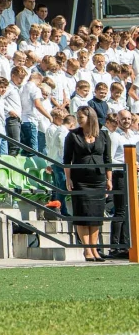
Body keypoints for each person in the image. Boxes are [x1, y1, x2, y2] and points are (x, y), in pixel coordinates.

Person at [65, 106, 112, 261]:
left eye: (81, 117)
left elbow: (107, 160)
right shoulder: (73, 135)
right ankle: (87, 250)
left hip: (98, 180)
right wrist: (68, 178)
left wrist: (109, 179)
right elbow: (67, 159)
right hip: (80, 180)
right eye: (78, 117)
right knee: (82, 215)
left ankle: (94, 249)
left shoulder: (103, 135)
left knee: (96, 216)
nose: (79, 120)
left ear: (90, 117)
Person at [109, 111, 138, 258]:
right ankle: (115, 247)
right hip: (119, 174)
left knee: (130, 210)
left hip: (132, 174)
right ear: (118, 120)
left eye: (128, 118)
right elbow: (110, 158)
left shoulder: (133, 135)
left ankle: (127, 245)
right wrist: (127, 163)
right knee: (120, 210)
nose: (126, 121)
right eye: (123, 119)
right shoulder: (115, 136)